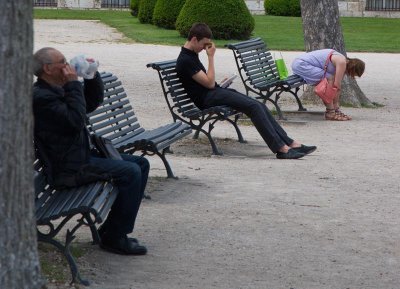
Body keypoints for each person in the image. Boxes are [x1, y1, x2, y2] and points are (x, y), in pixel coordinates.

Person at [32, 47, 149, 255]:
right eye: (63, 61)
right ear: (48, 68)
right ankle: (115, 238)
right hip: (69, 169)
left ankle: (112, 230)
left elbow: (90, 103)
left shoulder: (56, 88)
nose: (68, 65)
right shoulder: (41, 98)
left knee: (141, 163)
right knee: (130, 172)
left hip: (80, 157)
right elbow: (75, 121)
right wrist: (74, 85)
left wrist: (91, 76)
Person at [176, 23, 316, 159]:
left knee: (258, 104)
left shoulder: (191, 55)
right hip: (207, 98)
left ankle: (290, 143)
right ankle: (281, 149)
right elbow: (209, 83)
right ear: (194, 39)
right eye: (203, 44)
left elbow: (206, 82)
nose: (204, 48)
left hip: (212, 93)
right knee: (254, 107)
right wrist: (211, 57)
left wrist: (221, 83)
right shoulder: (185, 60)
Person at [291, 49, 365, 121]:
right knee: (330, 79)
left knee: (331, 81)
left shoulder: (342, 60)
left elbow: (337, 87)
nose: (351, 76)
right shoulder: (342, 62)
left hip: (300, 63)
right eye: (354, 74)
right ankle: (330, 112)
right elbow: (336, 85)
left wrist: (336, 107)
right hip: (301, 64)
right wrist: (335, 106)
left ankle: (334, 110)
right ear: (353, 69)